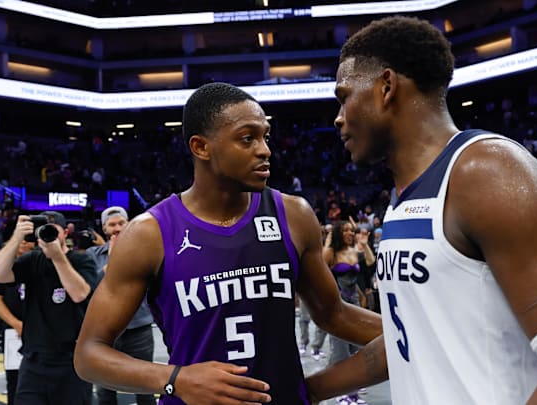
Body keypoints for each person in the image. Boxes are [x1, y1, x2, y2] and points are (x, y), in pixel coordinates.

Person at [308, 16, 537, 404]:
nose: (338, 117)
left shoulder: (486, 172)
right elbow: (411, 339)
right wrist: (302, 391)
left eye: (344, 97)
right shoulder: (402, 200)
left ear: (386, 87)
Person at [74, 82, 383, 404]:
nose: (264, 150)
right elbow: (88, 354)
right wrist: (175, 379)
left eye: (265, 136)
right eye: (247, 138)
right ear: (201, 147)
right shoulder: (149, 233)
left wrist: (415, 330)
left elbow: (333, 314)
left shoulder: (293, 214)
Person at [0, 210, 97, 405]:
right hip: (34, 359)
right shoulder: (32, 260)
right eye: (44, 231)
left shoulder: (81, 260)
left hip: (71, 360)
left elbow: (79, 294)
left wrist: (57, 257)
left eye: (53, 231)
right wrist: (17, 236)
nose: (48, 237)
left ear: (65, 233)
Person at [87, 206, 156, 405]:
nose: (117, 228)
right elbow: (91, 286)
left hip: (138, 329)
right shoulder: (92, 255)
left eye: (121, 223)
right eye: (112, 225)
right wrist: (113, 259)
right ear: (105, 229)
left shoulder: (145, 251)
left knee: (146, 387)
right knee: (104, 389)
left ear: (129, 224)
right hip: (105, 331)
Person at [323, 220, 375, 405]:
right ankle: (341, 392)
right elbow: (318, 274)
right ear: (338, 232)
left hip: (353, 301)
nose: (350, 233)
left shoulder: (354, 251)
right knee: (340, 350)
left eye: (351, 230)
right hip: (338, 303)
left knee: (355, 349)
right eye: (345, 230)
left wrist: (365, 243)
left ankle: (350, 390)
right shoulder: (331, 252)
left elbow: (370, 261)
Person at [0, 238, 34, 405]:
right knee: (15, 380)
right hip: (13, 331)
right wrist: (16, 323)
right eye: (20, 241)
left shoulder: (40, 265)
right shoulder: (4, 269)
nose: (24, 244)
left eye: (27, 241)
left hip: (41, 330)